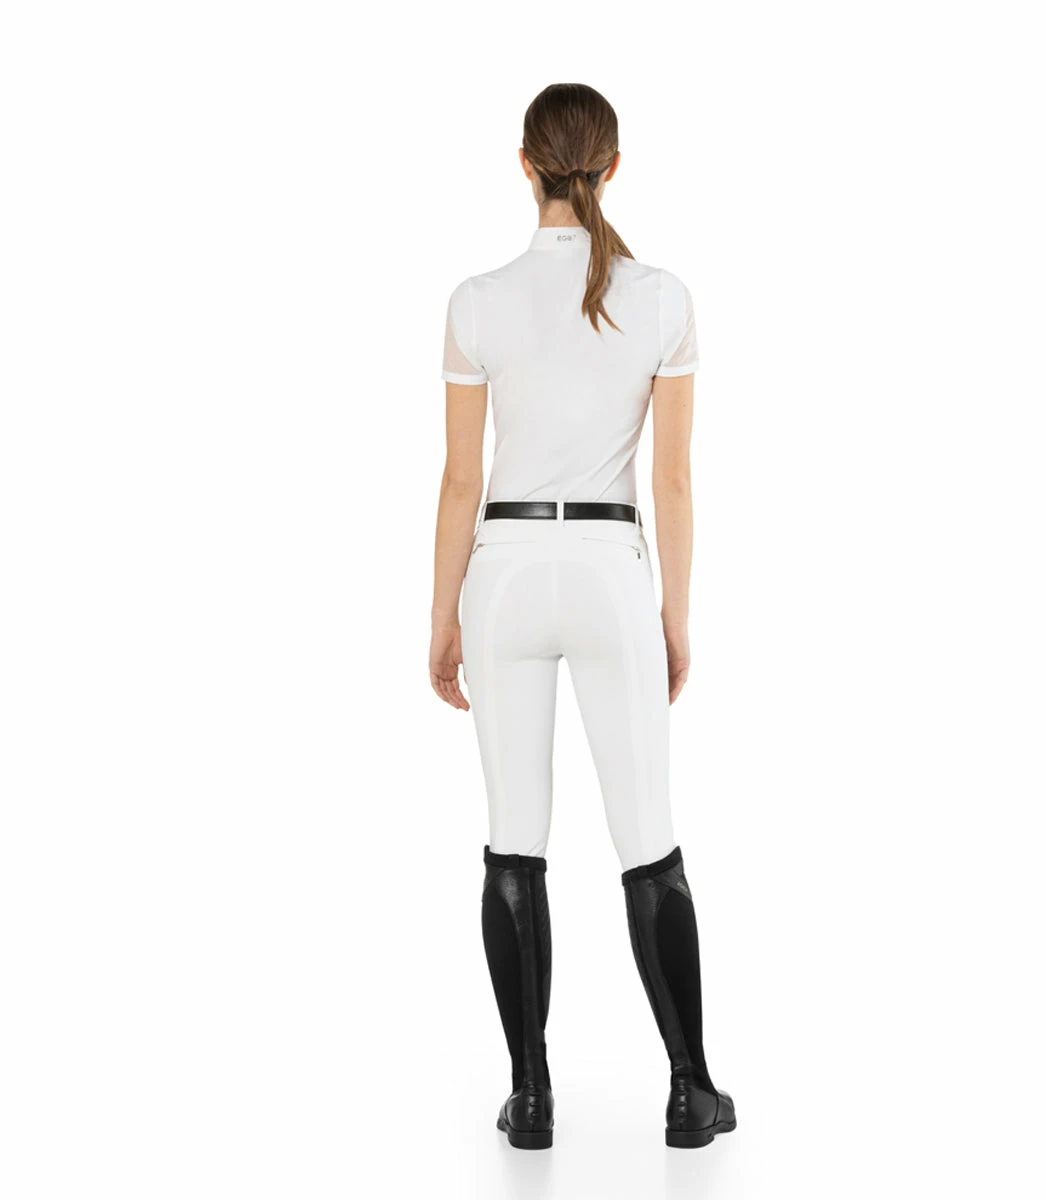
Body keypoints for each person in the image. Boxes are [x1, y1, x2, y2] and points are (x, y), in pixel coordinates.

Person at [428, 82, 736, 1151]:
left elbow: (459, 480)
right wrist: (674, 615)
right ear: (612, 168)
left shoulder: (476, 301)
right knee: (647, 838)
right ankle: (690, 1091)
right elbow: (676, 479)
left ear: (525, 166)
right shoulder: (662, 298)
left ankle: (530, 1097)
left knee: (514, 840)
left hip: (504, 571)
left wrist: (442, 616)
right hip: (610, 568)